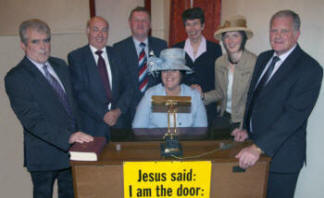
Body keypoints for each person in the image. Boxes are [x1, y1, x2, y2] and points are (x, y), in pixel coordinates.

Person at [232, 10, 323, 198]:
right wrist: (246, 128)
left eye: (284, 31)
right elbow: (254, 98)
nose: (278, 36)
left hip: (282, 159)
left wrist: (258, 148)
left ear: (297, 34)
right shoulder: (264, 58)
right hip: (254, 150)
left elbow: (293, 116)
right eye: (274, 31)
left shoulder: (310, 68)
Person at [4, 19, 93, 198]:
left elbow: (74, 105)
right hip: (43, 156)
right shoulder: (16, 77)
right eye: (35, 42)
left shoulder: (60, 65)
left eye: (46, 40)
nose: (43, 46)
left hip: (72, 152)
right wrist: (67, 137)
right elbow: (32, 121)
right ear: (23, 45)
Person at [68, 17, 132, 140]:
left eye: (104, 30)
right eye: (95, 29)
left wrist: (118, 111)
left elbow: (128, 87)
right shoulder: (76, 57)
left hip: (119, 124)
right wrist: (103, 114)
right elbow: (79, 92)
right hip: (92, 126)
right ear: (88, 31)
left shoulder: (118, 54)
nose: (100, 34)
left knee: (119, 159)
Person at [194, 16, 257, 133]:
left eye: (235, 36)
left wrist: (243, 128)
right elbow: (220, 93)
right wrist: (202, 95)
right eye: (227, 36)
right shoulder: (220, 62)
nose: (230, 41)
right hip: (224, 118)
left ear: (243, 38)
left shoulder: (254, 62)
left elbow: (255, 101)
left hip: (244, 122)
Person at [113, 6, 167, 127]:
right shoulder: (118, 49)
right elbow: (119, 84)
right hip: (128, 111)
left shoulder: (161, 46)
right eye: (136, 20)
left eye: (144, 20)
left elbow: (165, 79)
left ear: (150, 24)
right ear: (130, 23)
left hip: (156, 108)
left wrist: (149, 103)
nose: (140, 24)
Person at [132, 48, 207, 128]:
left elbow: (201, 130)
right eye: (165, 70)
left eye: (174, 70)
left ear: (181, 73)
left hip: (185, 140)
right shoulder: (150, 95)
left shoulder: (194, 96)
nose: (169, 74)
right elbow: (138, 128)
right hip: (154, 140)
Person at [173, 7, 222, 127]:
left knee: (205, 144)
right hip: (181, 108)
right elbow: (172, 78)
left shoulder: (215, 49)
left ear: (203, 26)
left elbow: (218, 81)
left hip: (207, 107)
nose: (192, 29)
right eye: (188, 25)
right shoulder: (176, 49)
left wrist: (204, 95)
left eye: (195, 24)